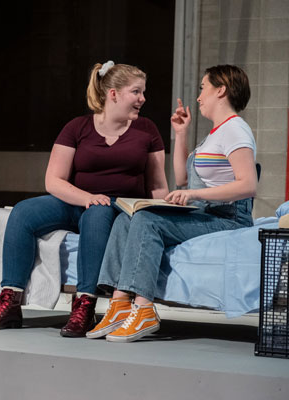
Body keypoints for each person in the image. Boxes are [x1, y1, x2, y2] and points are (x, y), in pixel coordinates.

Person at [0, 61, 169, 336]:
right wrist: (88, 197)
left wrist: (161, 214)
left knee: (98, 213)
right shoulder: (77, 127)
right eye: (136, 92)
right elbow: (53, 180)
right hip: (77, 200)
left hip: (117, 207)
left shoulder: (147, 130)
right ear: (113, 94)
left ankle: (85, 306)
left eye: (142, 92)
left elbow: (157, 185)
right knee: (23, 212)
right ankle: (10, 301)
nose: (142, 99)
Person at [87, 64, 257, 343]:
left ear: (221, 90)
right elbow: (182, 177)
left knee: (147, 221)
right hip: (208, 211)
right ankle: (119, 305)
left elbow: (248, 185)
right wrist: (180, 134)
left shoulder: (236, 130)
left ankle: (143, 309)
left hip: (230, 216)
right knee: (125, 217)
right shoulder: (217, 132)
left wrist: (195, 195)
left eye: (203, 88)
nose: (199, 96)